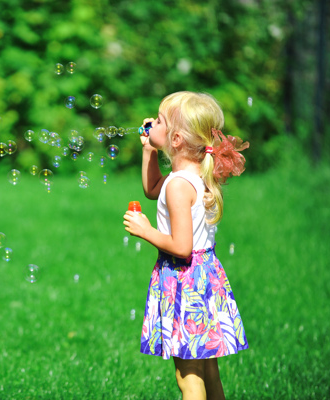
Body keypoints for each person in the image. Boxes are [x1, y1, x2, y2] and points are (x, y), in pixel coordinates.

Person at [123, 91, 250, 400]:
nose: (151, 122)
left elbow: (181, 247)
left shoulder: (180, 186)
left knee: (188, 380)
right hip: (204, 279)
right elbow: (153, 188)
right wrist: (148, 150)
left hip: (184, 282)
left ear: (176, 139)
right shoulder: (192, 176)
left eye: (160, 120)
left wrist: (146, 231)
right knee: (209, 374)